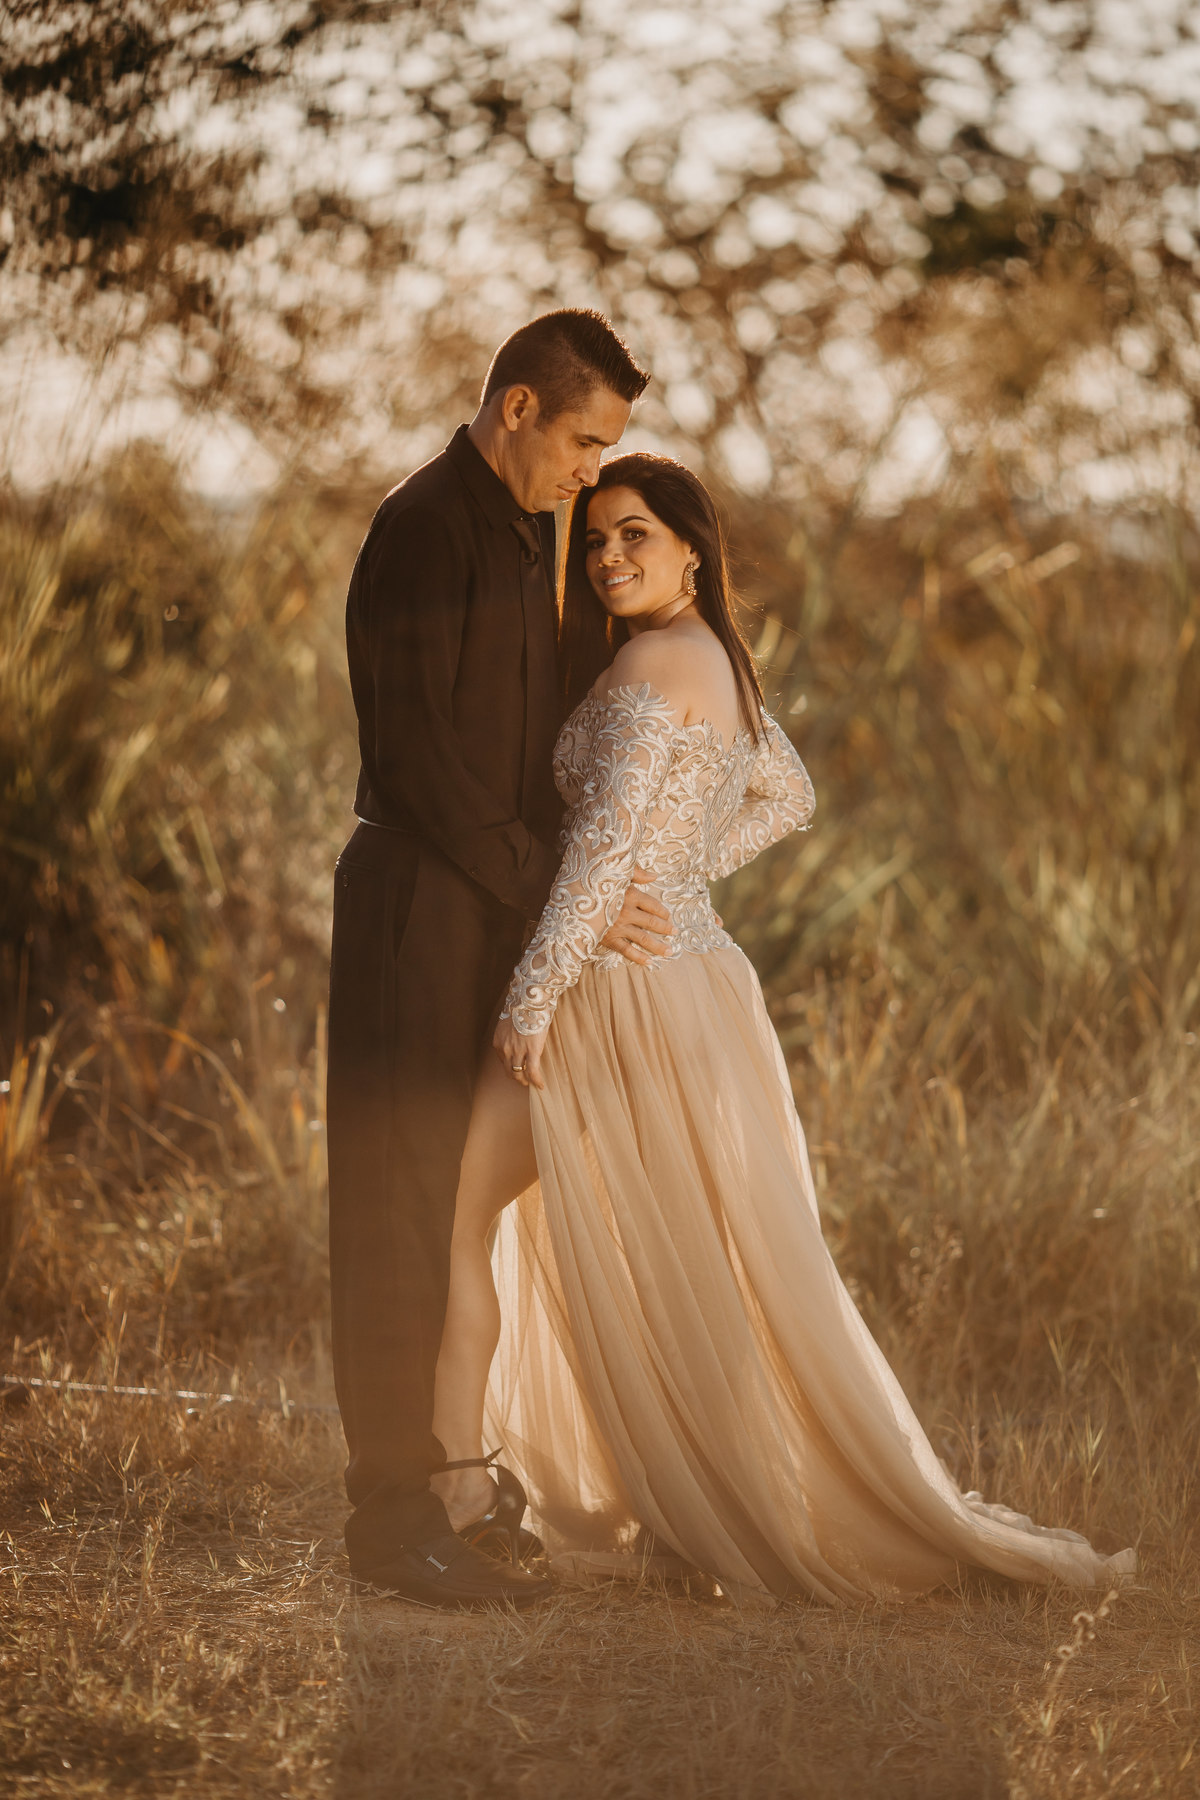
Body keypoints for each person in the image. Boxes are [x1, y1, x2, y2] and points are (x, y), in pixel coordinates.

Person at [434, 452, 1136, 1604]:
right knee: (683, 1253)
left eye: (635, 535)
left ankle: (458, 1492)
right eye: (596, 539)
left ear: (692, 549)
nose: (608, 556)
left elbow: (603, 850)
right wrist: (681, 875)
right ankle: (665, 1501)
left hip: (618, 992)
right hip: (693, 978)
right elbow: (787, 793)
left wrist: (534, 992)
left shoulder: (649, 663)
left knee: (457, 1214)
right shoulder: (715, 658)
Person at [326, 312, 668, 1610]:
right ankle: (391, 1521)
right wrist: (558, 887)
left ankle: (457, 1486)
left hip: (497, 908)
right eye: (584, 441)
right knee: (397, 1206)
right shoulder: (423, 525)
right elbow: (417, 756)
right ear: (517, 408)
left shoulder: (541, 531)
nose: (593, 471)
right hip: (416, 905)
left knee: (461, 1200)